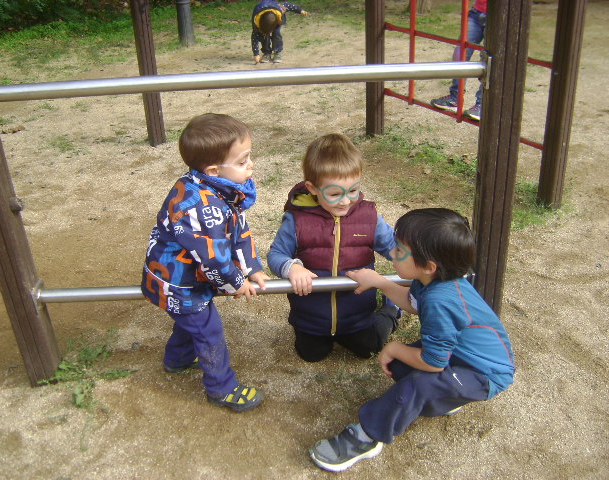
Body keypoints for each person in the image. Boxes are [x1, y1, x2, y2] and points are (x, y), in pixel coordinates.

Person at [308, 208, 515, 472]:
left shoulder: (441, 301)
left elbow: (433, 362)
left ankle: (367, 436)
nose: (392, 253)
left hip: (483, 372)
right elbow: (411, 302)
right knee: (400, 366)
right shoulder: (432, 281)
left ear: (429, 266)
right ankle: (445, 397)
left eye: (399, 250)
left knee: (417, 384)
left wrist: (395, 347)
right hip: (458, 355)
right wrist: (379, 282)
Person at [141, 113, 270, 413]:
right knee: (208, 331)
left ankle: (177, 360)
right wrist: (237, 282)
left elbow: (239, 230)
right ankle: (221, 389)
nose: (251, 165)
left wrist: (251, 267)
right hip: (180, 283)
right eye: (243, 161)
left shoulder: (218, 189)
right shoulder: (202, 207)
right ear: (214, 169)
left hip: (190, 278)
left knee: (191, 325)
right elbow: (214, 257)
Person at [267, 133, 401, 363]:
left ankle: (390, 309)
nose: (345, 201)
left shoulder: (368, 218)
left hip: (357, 313)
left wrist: (413, 261)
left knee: (368, 348)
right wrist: (292, 268)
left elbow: (394, 246)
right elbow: (276, 255)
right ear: (313, 188)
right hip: (311, 316)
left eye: (353, 191)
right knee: (311, 354)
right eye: (335, 193)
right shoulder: (297, 220)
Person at [431, 0, 487, 121]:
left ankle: (482, 105)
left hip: (496, 16)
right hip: (477, 12)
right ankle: (455, 97)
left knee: (489, 59)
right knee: (460, 54)